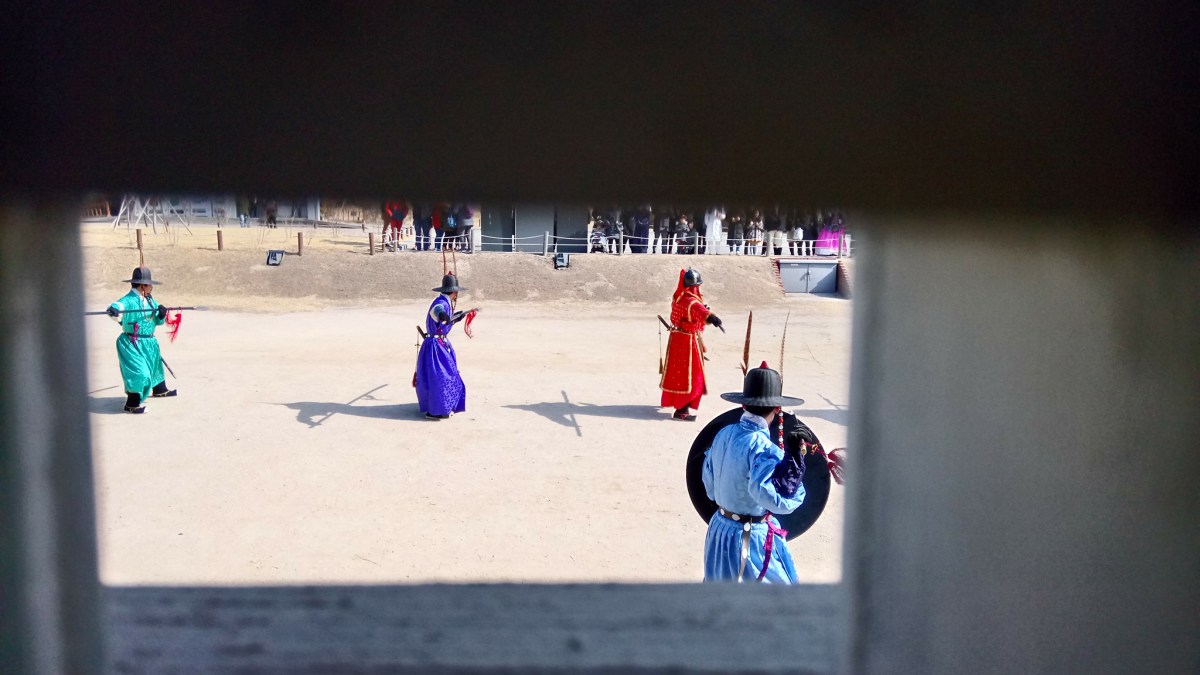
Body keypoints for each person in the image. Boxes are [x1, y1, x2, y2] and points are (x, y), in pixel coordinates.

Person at [702, 362, 806, 583]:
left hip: (719, 529)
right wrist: (795, 466)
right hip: (749, 539)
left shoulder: (723, 434)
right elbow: (775, 501)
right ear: (777, 409)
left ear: (743, 405)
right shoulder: (765, 449)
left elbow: (709, 487)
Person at [106, 267, 177, 414]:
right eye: (149, 284)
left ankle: (159, 389)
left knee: (155, 366)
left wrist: (161, 314)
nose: (152, 287)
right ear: (142, 286)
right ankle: (132, 404)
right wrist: (113, 310)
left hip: (149, 342)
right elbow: (119, 305)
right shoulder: (129, 300)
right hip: (131, 343)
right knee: (139, 372)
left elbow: (157, 321)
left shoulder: (149, 300)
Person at [659, 268, 723, 420]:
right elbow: (701, 312)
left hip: (676, 339)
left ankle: (678, 404)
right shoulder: (692, 302)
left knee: (677, 373)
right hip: (688, 342)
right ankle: (681, 411)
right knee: (691, 375)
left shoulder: (677, 297)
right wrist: (713, 318)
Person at [414, 273, 479, 419]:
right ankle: (434, 411)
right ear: (454, 292)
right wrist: (442, 314)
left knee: (444, 376)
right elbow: (436, 310)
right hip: (435, 347)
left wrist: (456, 318)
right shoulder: (441, 303)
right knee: (441, 377)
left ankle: (441, 407)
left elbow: (444, 323)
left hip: (441, 344)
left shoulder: (446, 302)